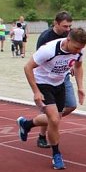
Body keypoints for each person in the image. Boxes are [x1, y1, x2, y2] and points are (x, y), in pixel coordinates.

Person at [16, 28, 86, 169]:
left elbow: (78, 66)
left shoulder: (79, 51)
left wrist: (80, 87)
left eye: (80, 48)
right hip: (43, 83)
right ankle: (56, 155)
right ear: (68, 40)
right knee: (54, 120)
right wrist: (36, 91)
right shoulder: (48, 50)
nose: (78, 51)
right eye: (76, 48)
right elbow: (27, 67)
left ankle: (26, 124)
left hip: (59, 83)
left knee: (56, 118)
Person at [34, 11, 76, 149]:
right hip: (47, 79)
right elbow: (37, 61)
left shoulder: (70, 36)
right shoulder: (45, 38)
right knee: (52, 113)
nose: (68, 29)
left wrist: (71, 65)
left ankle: (28, 123)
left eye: (69, 26)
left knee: (71, 105)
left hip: (63, 76)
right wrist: (37, 89)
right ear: (55, 23)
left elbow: (73, 52)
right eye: (65, 26)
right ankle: (42, 136)